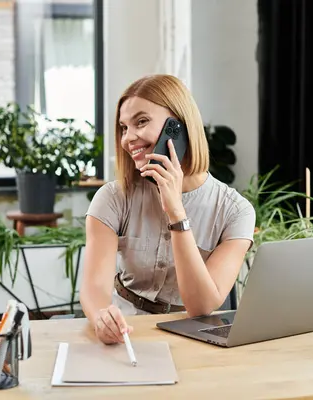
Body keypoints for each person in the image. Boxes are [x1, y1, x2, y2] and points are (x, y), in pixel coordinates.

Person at [80, 74, 256, 345]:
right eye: (124, 127)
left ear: (178, 126)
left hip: (192, 336)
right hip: (127, 331)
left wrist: (177, 214)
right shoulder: (114, 197)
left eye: (141, 121)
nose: (128, 138)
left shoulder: (236, 211)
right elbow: (95, 288)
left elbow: (201, 307)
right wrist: (102, 316)